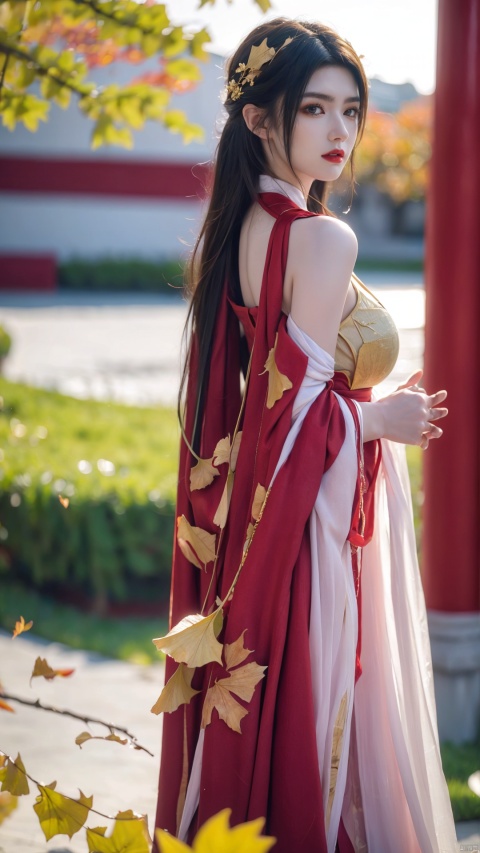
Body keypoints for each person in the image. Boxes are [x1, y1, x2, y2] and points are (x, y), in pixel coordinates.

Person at [152, 17, 458, 853]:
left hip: (284, 511)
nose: (340, 132)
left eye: (351, 111)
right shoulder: (322, 239)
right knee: (332, 718)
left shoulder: (245, 225)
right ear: (259, 120)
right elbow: (297, 421)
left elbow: (268, 410)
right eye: (315, 109)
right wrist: (378, 416)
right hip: (315, 524)